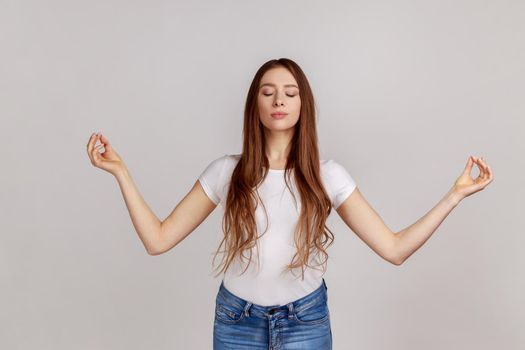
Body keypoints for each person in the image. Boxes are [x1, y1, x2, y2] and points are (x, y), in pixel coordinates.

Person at [85, 58, 494, 349]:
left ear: (302, 105)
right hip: (236, 324)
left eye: (289, 92)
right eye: (268, 92)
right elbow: (158, 239)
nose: (278, 100)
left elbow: (394, 249)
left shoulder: (326, 175)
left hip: (306, 322)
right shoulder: (228, 171)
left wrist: (454, 194)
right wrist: (121, 172)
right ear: (256, 105)